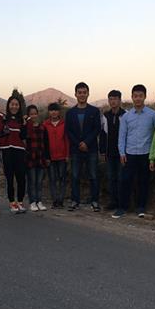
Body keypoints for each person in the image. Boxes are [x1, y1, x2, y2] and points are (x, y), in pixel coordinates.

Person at [113, 84, 155, 219]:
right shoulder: (126, 116)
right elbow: (122, 136)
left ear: (145, 97)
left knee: (143, 181)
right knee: (125, 180)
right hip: (129, 154)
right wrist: (122, 153)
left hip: (146, 153)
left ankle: (141, 207)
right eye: (135, 96)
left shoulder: (153, 115)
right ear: (132, 97)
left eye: (140, 96)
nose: (138, 98)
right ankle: (123, 207)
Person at [65, 82, 101, 212]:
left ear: (88, 94)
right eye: (79, 92)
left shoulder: (94, 111)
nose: (82, 95)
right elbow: (68, 131)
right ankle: (75, 201)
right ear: (75, 94)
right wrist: (79, 144)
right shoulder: (70, 113)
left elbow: (97, 129)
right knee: (75, 176)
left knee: (93, 176)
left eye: (84, 92)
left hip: (91, 149)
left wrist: (86, 142)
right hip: (75, 150)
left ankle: (95, 201)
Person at [0, 96, 27, 213]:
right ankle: (12, 202)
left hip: (19, 151)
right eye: (12, 104)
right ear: (8, 105)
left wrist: (24, 124)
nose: (14, 106)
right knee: (9, 178)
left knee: (21, 178)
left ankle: (20, 202)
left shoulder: (22, 120)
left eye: (16, 104)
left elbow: (23, 136)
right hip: (7, 150)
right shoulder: (3, 118)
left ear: (19, 106)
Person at [99, 90, 126, 210]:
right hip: (109, 153)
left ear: (120, 100)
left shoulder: (125, 115)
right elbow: (103, 134)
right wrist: (102, 151)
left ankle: (122, 202)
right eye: (110, 99)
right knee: (111, 178)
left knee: (121, 178)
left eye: (115, 99)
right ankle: (113, 202)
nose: (113, 101)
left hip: (122, 153)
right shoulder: (105, 116)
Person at [43, 103, 69, 208]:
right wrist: (46, 157)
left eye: (56, 110)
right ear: (49, 112)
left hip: (62, 156)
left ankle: (61, 200)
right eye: (51, 110)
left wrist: (67, 155)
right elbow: (44, 142)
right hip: (50, 157)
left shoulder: (64, 124)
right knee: (52, 179)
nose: (53, 112)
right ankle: (55, 200)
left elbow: (67, 140)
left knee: (62, 179)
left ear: (59, 112)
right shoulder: (45, 124)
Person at [25, 105, 50, 211]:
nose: (33, 116)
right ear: (28, 115)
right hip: (30, 158)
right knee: (32, 181)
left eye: (35, 113)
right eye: (31, 114)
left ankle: (39, 201)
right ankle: (32, 202)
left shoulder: (42, 127)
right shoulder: (26, 128)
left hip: (41, 158)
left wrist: (47, 157)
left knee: (39, 182)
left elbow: (46, 143)